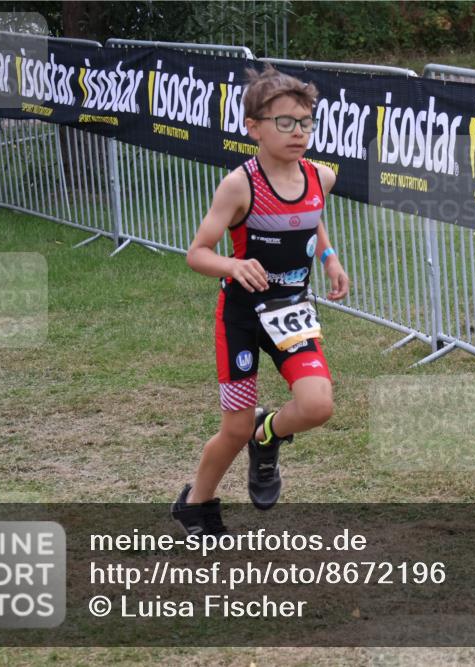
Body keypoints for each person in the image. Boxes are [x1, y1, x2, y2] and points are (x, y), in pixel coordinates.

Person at [171, 63, 349, 536]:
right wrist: (232, 265)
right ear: (253, 128)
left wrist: (329, 258)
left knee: (317, 406)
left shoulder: (322, 177)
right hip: (243, 317)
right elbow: (197, 253)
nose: (298, 132)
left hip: (292, 311)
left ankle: (267, 433)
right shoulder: (239, 186)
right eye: (285, 123)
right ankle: (197, 503)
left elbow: (311, 218)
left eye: (306, 122)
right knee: (233, 429)